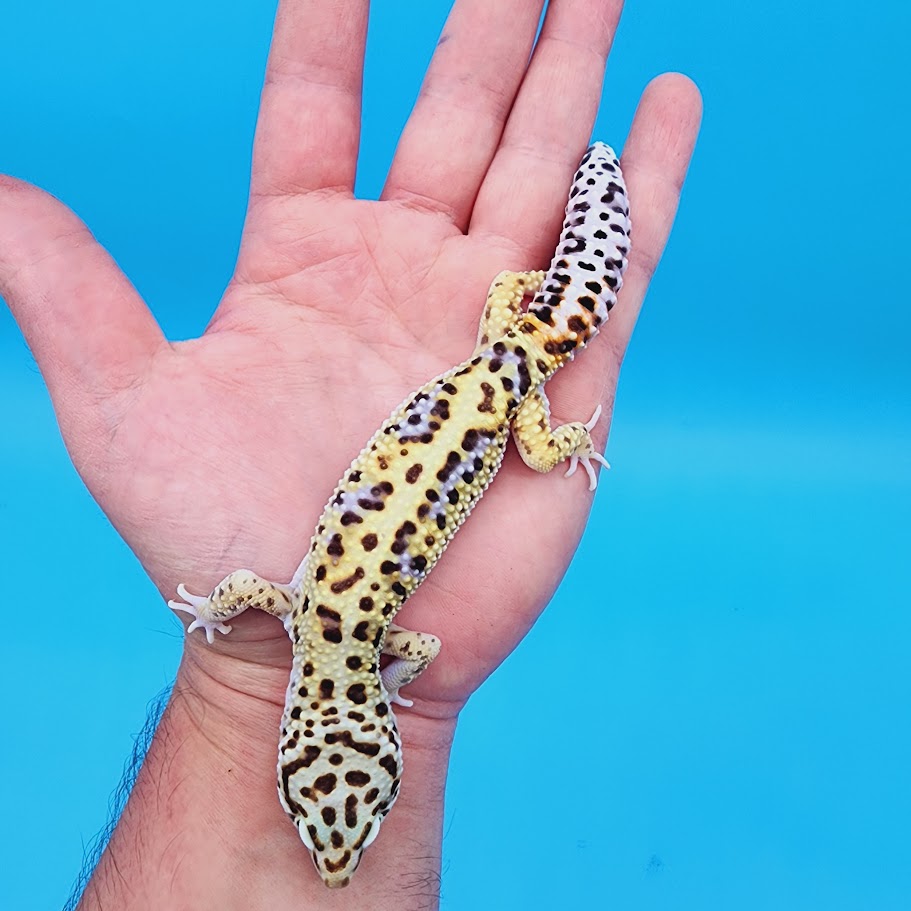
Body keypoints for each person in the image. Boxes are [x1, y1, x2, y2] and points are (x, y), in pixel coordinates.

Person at [1, 1, 701, 907]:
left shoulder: (382, 646)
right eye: (357, 825)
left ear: (313, 734)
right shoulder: (293, 615)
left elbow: (412, 645)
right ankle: (590, 208)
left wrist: (558, 439)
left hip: (502, 389)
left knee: (553, 386)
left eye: (332, 825)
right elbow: (250, 594)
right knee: (565, 321)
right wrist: (219, 621)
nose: (338, 854)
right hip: (493, 372)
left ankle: (590, 209)